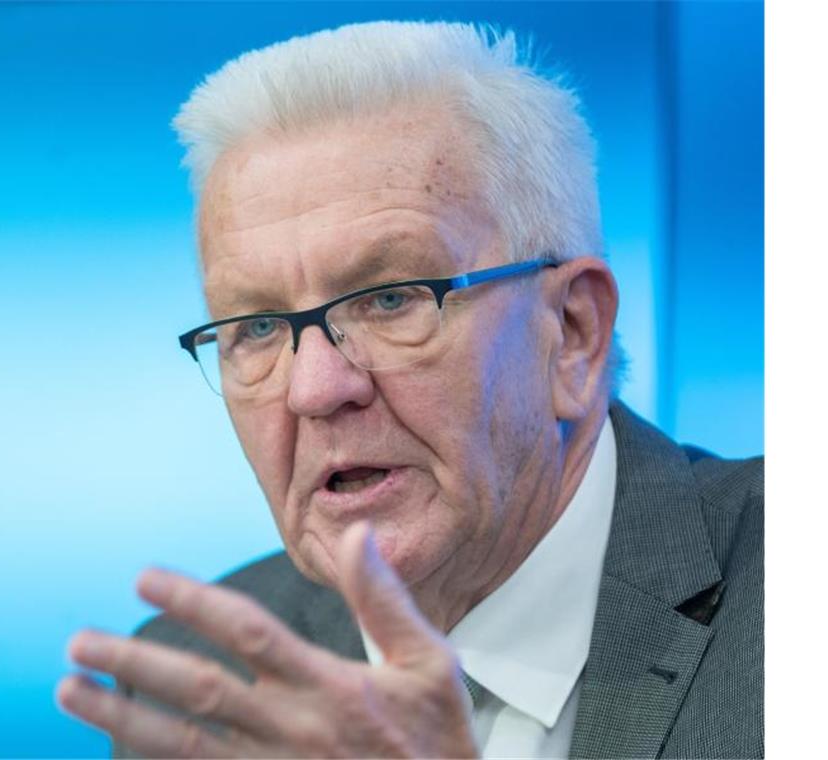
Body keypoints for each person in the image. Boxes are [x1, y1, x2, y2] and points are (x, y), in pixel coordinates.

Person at [56, 20, 763, 759]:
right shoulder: (202, 686)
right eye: (259, 327)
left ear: (573, 332)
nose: (315, 387)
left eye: (391, 298)